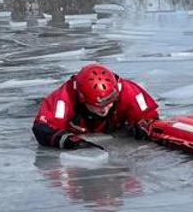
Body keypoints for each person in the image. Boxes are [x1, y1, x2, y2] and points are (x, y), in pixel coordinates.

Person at [32, 64, 160, 149]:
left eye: (109, 103)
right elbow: (43, 128)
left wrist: (143, 127)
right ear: (83, 99)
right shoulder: (64, 98)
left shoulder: (130, 92)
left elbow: (149, 117)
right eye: (97, 106)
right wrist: (70, 141)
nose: (104, 109)